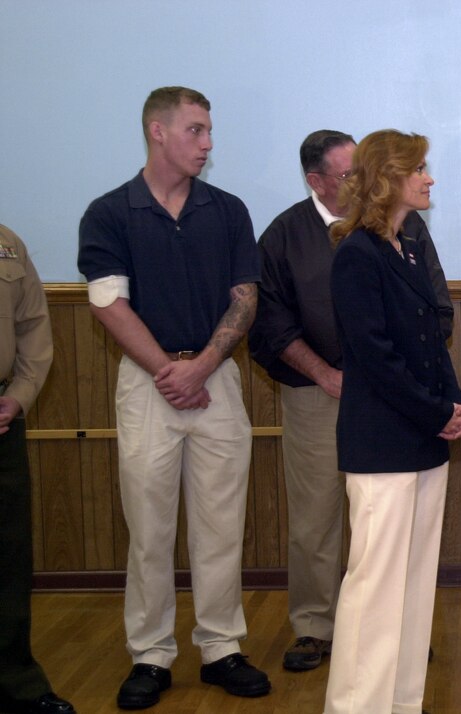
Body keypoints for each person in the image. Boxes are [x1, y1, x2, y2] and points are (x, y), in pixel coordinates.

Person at [77, 86, 270, 710]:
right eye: (196, 130)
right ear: (157, 132)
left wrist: (205, 366)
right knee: (150, 528)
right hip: (147, 383)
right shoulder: (109, 212)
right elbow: (109, 302)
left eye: (209, 131)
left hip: (217, 380)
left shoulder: (229, 209)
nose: (207, 143)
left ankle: (221, 649)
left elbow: (246, 296)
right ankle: (152, 656)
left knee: (220, 526)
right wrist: (168, 370)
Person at [248, 129, 454, 673]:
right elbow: (271, 322)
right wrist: (326, 373)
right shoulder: (286, 235)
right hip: (319, 390)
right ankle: (317, 629)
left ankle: (394, 636)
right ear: (315, 181)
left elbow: (435, 307)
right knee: (318, 517)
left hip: (396, 402)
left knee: (389, 537)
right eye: (346, 173)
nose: (356, 180)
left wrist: (427, 392)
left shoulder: (408, 233)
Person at [323, 129, 461, 714]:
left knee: (412, 587)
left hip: (422, 441)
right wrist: (437, 412)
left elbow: (431, 338)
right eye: (419, 169)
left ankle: (402, 703)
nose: (429, 178)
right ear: (389, 177)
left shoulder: (406, 245)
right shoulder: (356, 254)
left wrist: (452, 402)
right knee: (374, 591)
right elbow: (376, 356)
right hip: (382, 444)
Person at [0, 225, 75, 714]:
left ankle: (16, 684)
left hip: (2, 420)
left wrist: (19, 397)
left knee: (8, 556)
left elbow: (31, 324)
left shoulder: (6, 242)